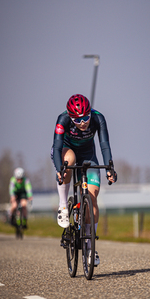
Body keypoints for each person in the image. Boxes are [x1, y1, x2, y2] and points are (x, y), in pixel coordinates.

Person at [51, 94, 117, 266]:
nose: (83, 122)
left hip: (89, 155)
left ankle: (90, 245)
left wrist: (110, 168)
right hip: (66, 150)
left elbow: (104, 145)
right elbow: (57, 146)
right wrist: (60, 169)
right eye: (77, 119)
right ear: (70, 117)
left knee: (92, 197)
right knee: (69, 160)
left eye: (85, 117)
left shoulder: (98, 118)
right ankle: (63, 205)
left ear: (90, 112)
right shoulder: (62, 119)